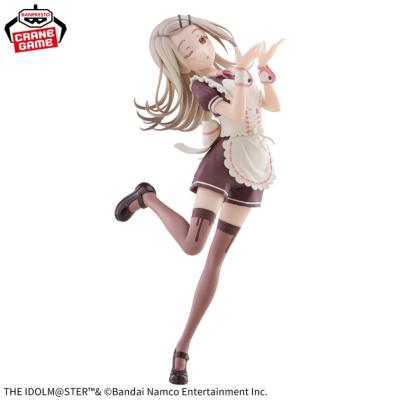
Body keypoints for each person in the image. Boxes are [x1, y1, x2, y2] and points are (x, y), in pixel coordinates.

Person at [115, 14, 284, 385]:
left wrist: (264, 75)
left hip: (253, 167)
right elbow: (234, 112)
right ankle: (147, 198)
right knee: (193, 246)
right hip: (221, 163)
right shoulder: (201, 86)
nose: (200, 51)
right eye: (188, 51)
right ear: (180, 64)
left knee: (215, 261)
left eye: (201, 41)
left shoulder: (236, 74)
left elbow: (270, 107)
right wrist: (243, 72)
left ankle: (183, 347)